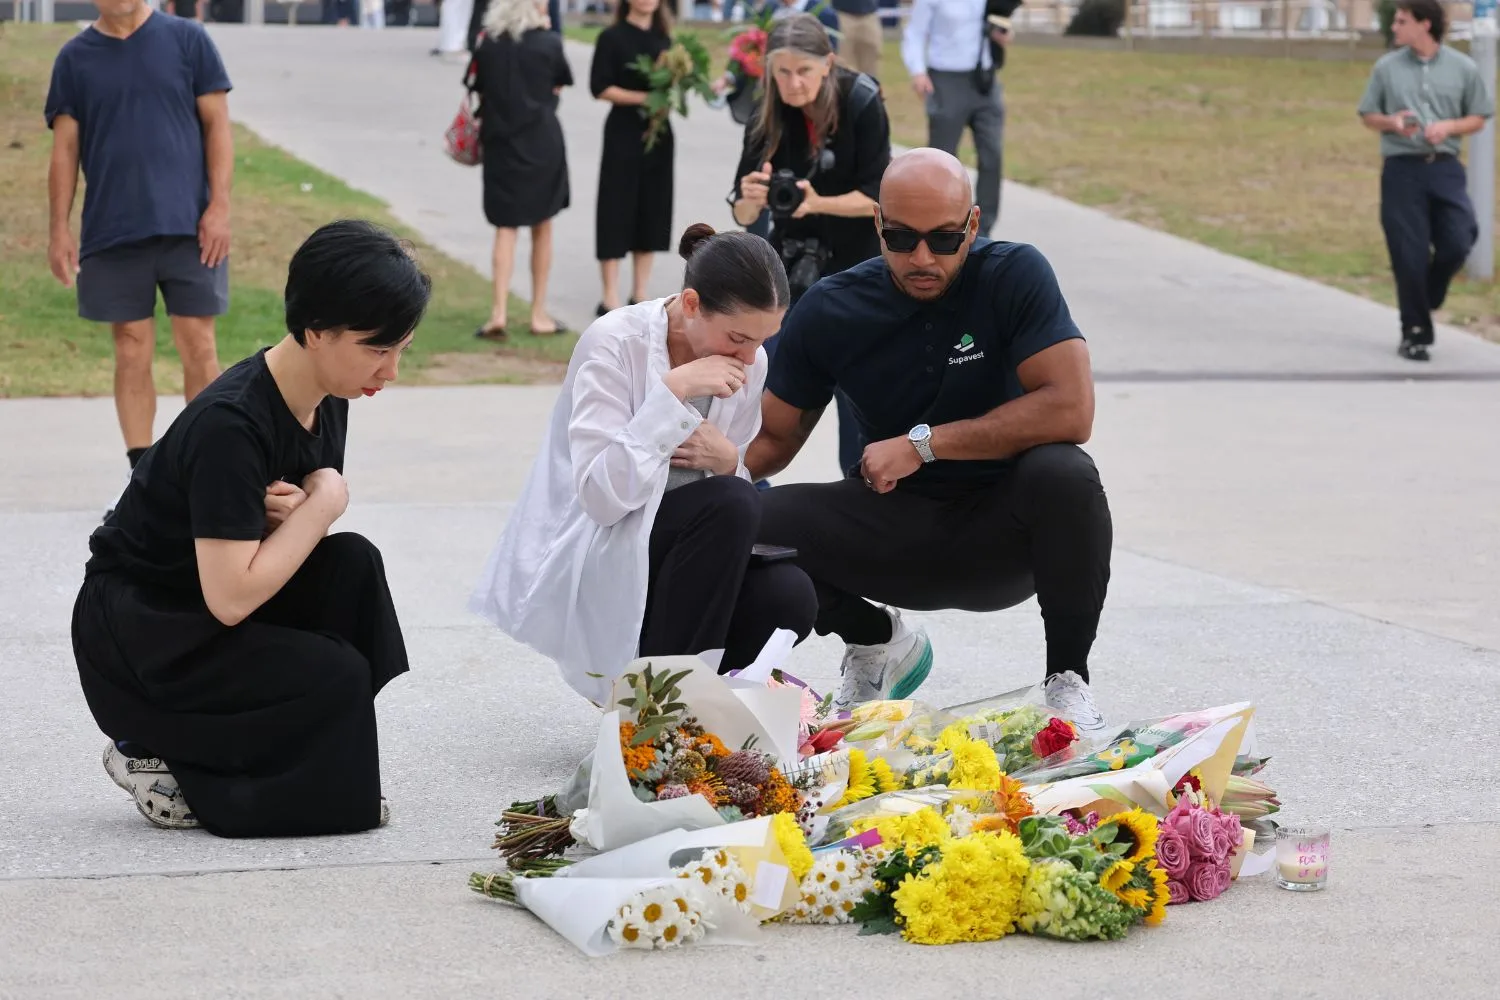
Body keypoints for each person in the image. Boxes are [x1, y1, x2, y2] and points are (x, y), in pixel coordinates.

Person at [71, 220, 431, 837]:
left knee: (355, 570)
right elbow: (232, 597)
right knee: (335, 672)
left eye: (401, 349)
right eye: (378, 349)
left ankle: (262, 759)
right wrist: (325, 499)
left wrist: (298, 512)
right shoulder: (230, 425)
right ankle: (160, 755)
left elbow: (283, 541)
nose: (391, 371)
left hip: (197, 608)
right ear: (316, 331)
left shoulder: (330, 395)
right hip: (144, 638)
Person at [746, 149, 1112, 733]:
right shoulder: (832, 307)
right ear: (877, 225)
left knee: (1066, 473)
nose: (921, 258)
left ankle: (1067, 687)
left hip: (1005, 535)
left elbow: (1072, 408)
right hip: (895, 530)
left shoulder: (1015, 274)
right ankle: (874, 642)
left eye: (943, 239)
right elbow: (771, 438)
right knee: (745, 517)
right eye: (900, 238)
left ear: (973, 222)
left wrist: (922, 444)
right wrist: (683, 485)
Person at [469, 224, 819, 708]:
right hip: (601, 545)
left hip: (690, 551)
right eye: (738, 338)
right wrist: (671, 394)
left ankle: (696, 709)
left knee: (790, 596)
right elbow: (600, 499)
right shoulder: (615, 341)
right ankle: (657, 714)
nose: (750, 356)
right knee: (734, 501)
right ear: (692, 304)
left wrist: (728, 462)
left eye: (763, 340)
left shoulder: (749, 361)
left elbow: (725, 494)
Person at [46, 0, 233, 517]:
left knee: (199, 346)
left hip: (190, 228)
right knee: (131, 350)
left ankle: (208, 476)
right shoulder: (75, 58)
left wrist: (219, 207)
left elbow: (218, 125)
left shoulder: (188, 41)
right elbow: (64, 151)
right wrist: (59, 228)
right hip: (112, 231)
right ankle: (142, 482)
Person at [729, 13, 891, 474]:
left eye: (804, 71)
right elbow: (742, 214)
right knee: (762, 386)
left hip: (859, 268)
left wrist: (815, 202)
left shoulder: (860, 100)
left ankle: (862, 499)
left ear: (828, 65)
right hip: (791, 268)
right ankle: (746, 497)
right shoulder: (767, 113)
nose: (794, 83)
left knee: (860, 403)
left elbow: (878, 198)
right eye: (782, 72)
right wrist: (752, 198)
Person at [1357, 0, 1493, 362]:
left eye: (1402, 21)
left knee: (1459, 238)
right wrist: (1392, 123)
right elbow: (1368, 114)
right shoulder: (1386, 68)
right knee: (1408, 252)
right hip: (1402, 169)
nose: (1395, 27)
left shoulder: (1462, 68)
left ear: (1424, 25)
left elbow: (1479, 116)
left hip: (1445, 166)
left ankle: (1429, 293)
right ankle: (1415, 332)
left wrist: (1449, 126)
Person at [468, 0, 574, 339]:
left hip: (500, 142)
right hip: (542, 142)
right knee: (542, 226)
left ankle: (498, 311)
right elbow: (559, 84)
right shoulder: (549, 43)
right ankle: (537, 312)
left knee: (505, 228)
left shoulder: (489, 43)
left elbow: (477, 87)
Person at [589, 0, 674, 317]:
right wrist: (644, 98)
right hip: (623, 132)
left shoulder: (665, 38)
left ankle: (640, 291)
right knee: (615, 206)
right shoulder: (611, 37)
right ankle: (609, 295)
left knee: (651, 207)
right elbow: (599, 87)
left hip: (659, 133)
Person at [901, 0, 1010, 237]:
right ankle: (942, 226)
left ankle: (983, 230)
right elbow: (915, 33)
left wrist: (1000, 35)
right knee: (943, 161)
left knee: (992, 155)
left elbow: (998, 19)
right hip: (946, 79)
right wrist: (918, 72)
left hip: (984, 80)